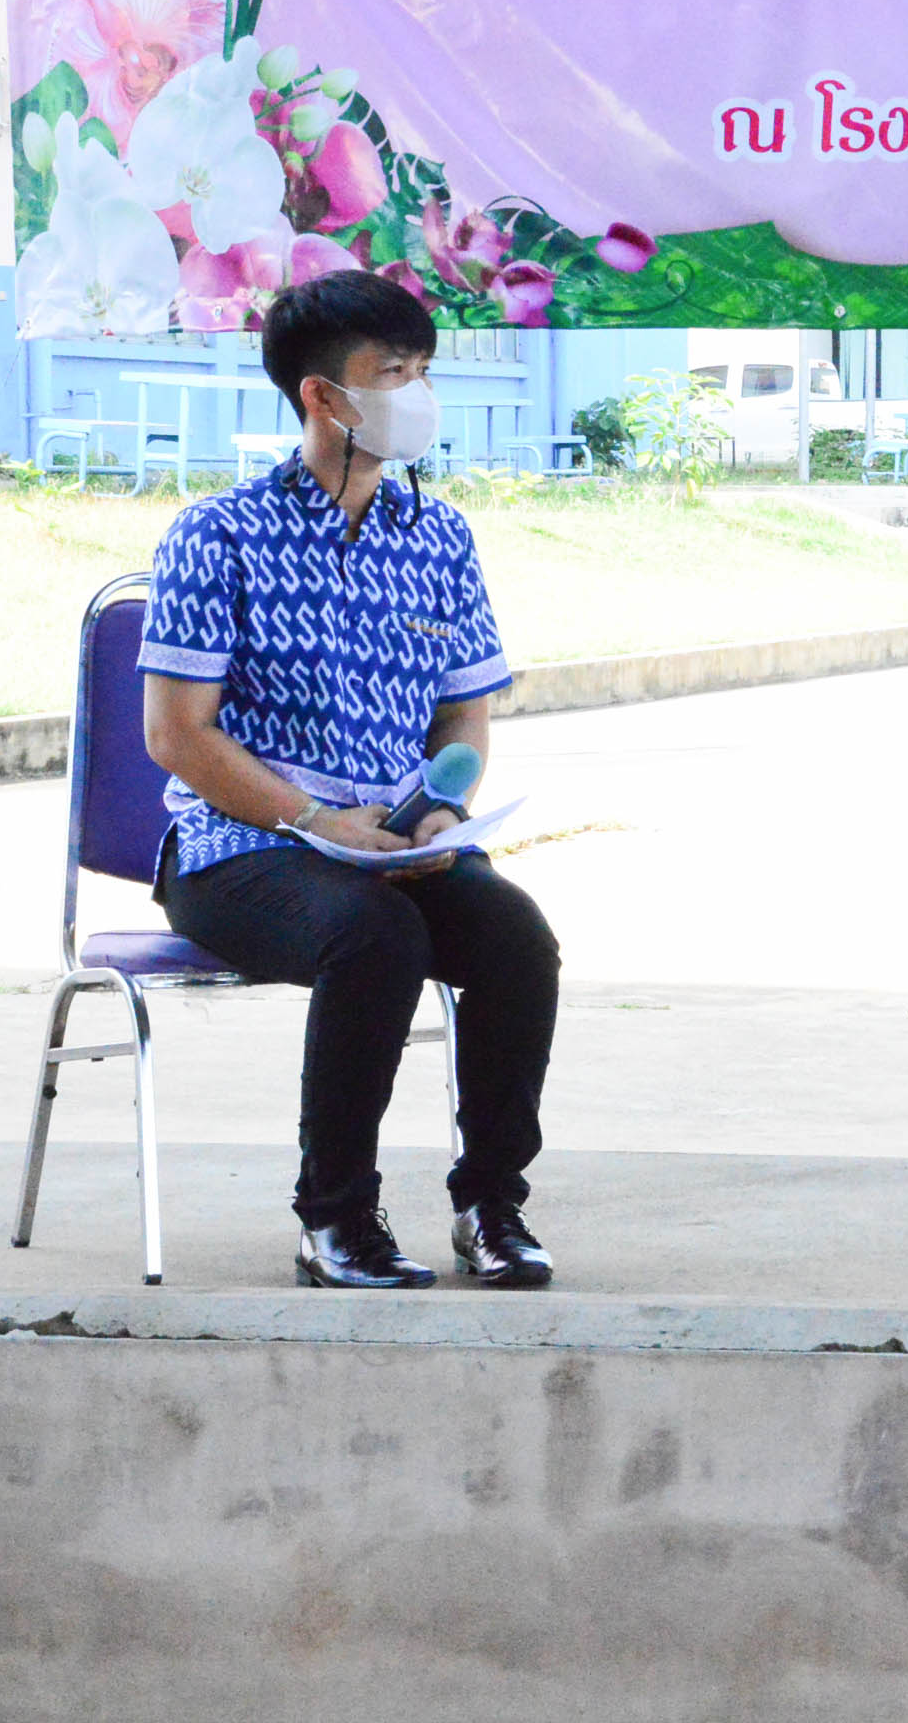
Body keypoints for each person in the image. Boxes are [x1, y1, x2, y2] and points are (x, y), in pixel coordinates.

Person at [139, 270, 561, 1291]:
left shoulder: (438, 536)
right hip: (240, 849)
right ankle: (334, 1219)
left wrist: (442, 810)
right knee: (375, 937)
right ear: (324, 396)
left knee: (515, 937)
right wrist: (318, 819)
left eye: (423, 371)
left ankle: (490, 1205)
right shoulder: (218, 535)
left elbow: (463, 712)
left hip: (395, 842)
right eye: (394, 372)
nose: (419, 394)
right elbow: (176, 735)